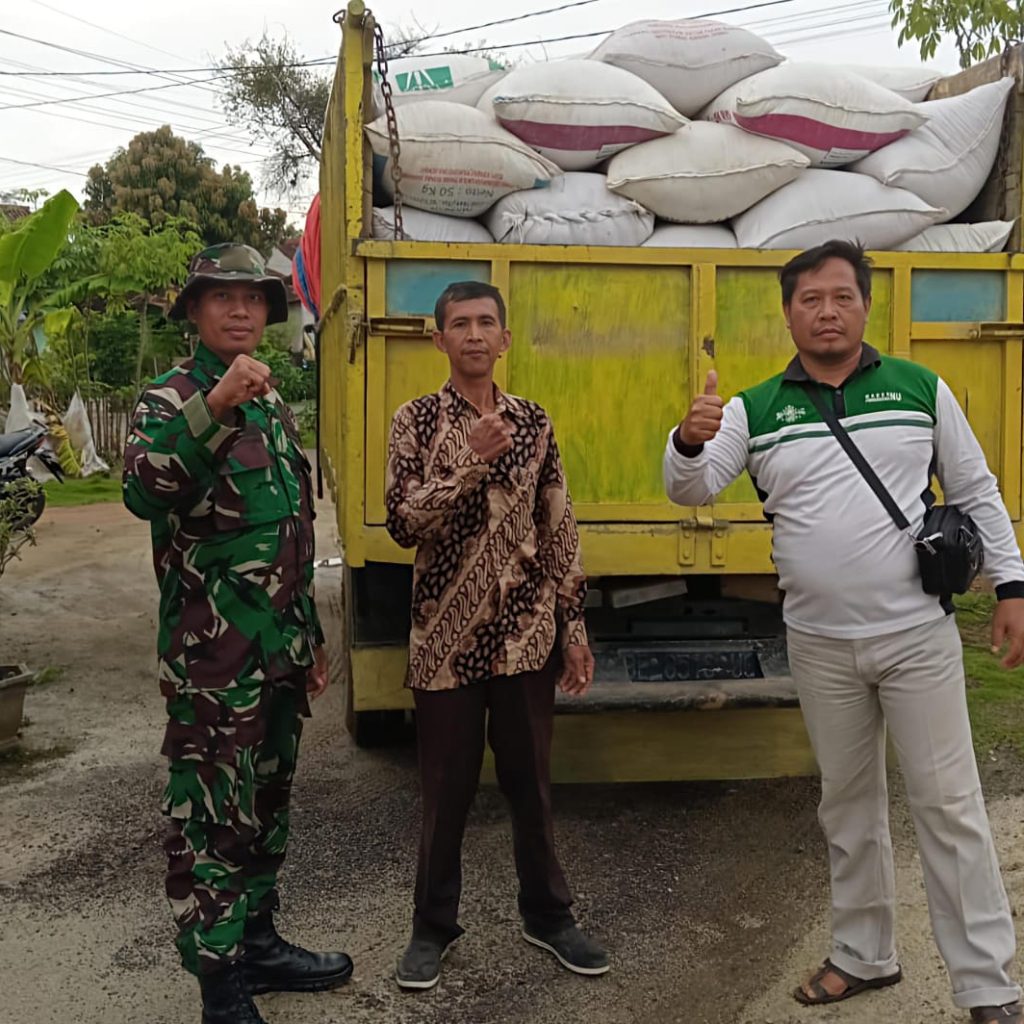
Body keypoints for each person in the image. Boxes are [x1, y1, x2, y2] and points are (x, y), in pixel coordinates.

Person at [663, 239, 1024, 1024]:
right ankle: (865, 954)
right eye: (810, 300)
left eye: (842, 297)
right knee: (848, 804)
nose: (827, 311)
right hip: (819, 644)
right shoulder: (752, 409)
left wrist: (1014, 586)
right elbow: (688, 487)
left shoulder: (919, 388)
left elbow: (976, 489)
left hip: (915, 639)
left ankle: (988, 983)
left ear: (865, 305)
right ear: (788, 312)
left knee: (950, 805)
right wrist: (689, 437)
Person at [123, 243, 352, 1024]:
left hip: (277, 651)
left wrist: (311, 637)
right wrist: (213, 407)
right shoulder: (171, 398)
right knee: (214, 813)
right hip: (211, 660)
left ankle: (258, 942)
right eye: (221, 297)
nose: (240, 309)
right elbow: (142, 492)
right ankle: (217, 980)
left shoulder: (272, 403)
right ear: (194, 311)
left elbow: (292, 529)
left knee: (269, 804)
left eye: (254, 298)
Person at [385, 280, 609, 990]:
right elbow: (402, 523)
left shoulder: (535, 422)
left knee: (530, 786)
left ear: (505, 339)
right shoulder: (415, 422)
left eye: (487, 323)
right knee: (445, 792)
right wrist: (472, 460)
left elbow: (558, 527)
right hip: (444, 643)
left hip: (525, 639)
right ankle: (432, 928)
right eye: (460, 324)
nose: (474, 334)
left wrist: (573, 626)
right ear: (439, 339)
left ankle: (548, 916)